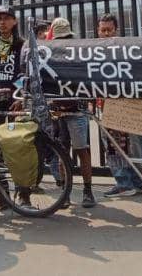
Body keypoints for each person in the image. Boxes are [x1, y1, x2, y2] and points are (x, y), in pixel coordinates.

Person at [97, 13, 142, 198]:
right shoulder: (94, 50)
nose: (106, 33)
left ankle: (139, 181)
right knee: (113, 146)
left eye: (109, 30)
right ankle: (123, 183)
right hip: (107, 104)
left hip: (129, 104)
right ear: (98, 31)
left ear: (116, 30)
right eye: (103, 30)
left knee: (135, 144)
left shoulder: (125, 48)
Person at [0, 6, 27, 213]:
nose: (2, 22)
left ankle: (24, 195)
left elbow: (26, 74)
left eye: (7, 18)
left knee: (20, 148)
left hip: (15, 102)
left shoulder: (22, 46)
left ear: (15, 21)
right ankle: (2, 196)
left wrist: (20, 95)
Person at [47, 17, 96, 209]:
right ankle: (66, 193)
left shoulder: (77, 53)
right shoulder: (51, 53)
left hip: (75, 109)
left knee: (81, 149)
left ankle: (87, 191)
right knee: (62, 152)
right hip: (59, 110)